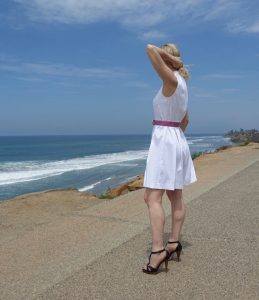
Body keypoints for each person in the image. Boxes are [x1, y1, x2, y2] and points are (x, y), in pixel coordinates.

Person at [142, 43, 197, 274]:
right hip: (176, 138)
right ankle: (173, 243)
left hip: (165, 141)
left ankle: (158, 251)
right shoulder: (181, 84)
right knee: (176, 196)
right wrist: (174, 139)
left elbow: (150, 48)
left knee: (152, 198)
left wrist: (173, 61)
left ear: (169, 60)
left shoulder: (171, 80)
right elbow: (185, 120)